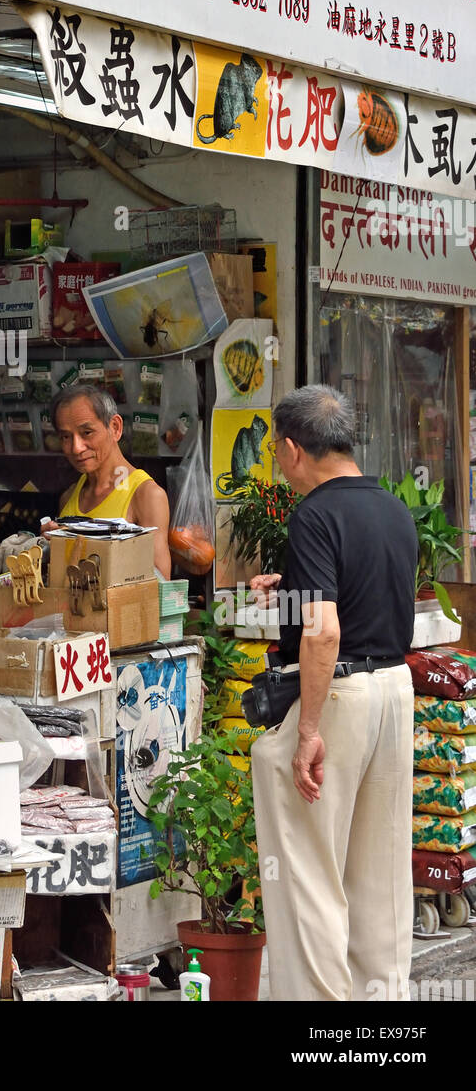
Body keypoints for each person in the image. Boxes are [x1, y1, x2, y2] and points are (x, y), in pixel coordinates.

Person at [249, 384, 418, 1001]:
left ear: (293, 449)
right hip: (395, 691)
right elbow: (364, 592)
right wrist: (290, 587)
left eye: (275, 450)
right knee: (381, 873)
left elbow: (324, 633)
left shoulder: (314, 514)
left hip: (341, 696)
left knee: (309, 871)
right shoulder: (393, 509)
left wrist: (309, 731)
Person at [44, 384, 171, 579]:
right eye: (66, 437)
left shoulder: (146, 495)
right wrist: (49, 548)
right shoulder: (69, 497)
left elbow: (159, 586)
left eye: (87, 433)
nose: (76, 448)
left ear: (115, 428)